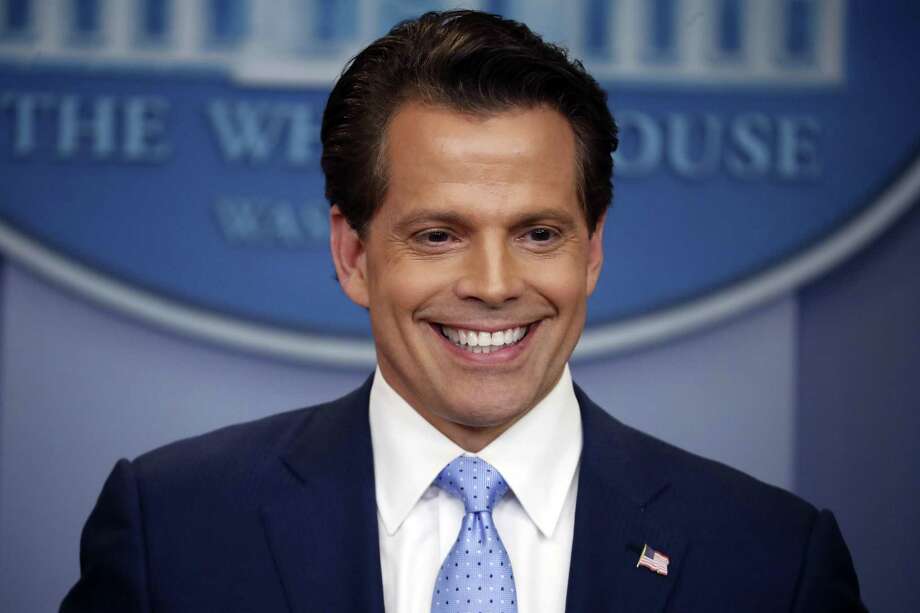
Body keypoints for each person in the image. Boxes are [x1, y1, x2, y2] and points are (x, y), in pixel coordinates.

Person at [61, 10, 866, 613]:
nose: (492, 282)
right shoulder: (173, 528)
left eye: (540, 232)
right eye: (439, 234)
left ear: (592, 251)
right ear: (353, 255)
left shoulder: (773, 560)